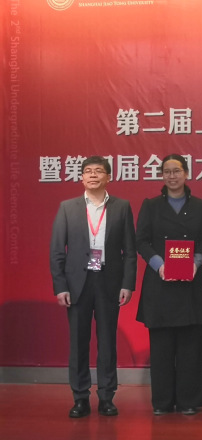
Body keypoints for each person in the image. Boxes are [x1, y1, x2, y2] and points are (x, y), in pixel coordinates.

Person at [50, 155, 137, 418]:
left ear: (108, 177)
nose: (93, 175)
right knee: (78, 342)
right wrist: (60, 286)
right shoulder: (68, 207)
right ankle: (80, 398)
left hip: (109, 281)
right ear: (81, 178)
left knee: (107, 341)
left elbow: (129, 251)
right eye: (87, 171)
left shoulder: (122, 207)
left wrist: (127, 284)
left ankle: (107, 397)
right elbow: (57, 251)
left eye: (98, 171)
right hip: (77, 282)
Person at [136, 154, 202, 416]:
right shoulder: (151, 205)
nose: (172, 176)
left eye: (177, 170)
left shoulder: (200, 205)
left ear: (186, 173)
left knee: (191, 344)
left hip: (190, 279)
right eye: (167, 171)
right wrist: (159, 264)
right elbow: (141, 240)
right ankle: (162, 402)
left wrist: (196, 262)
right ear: (162, 175)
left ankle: (189, 400)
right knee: (161, 347)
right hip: (160, 282)